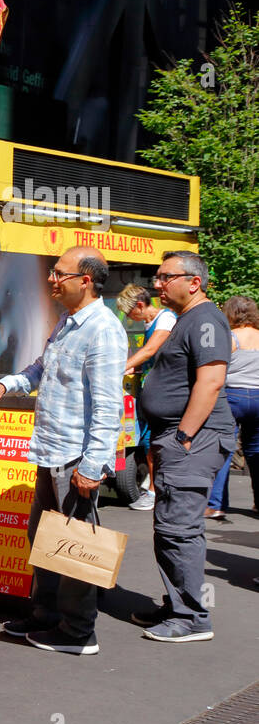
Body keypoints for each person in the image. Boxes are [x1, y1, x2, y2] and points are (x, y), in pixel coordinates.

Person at [0, 247, 126, 655]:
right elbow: (42, 367)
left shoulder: (104, 329)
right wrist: (8, 384)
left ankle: (78, 632)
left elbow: (109, 406)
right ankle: (46, 615)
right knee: (45, 538)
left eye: (59, 273)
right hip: (50, 451)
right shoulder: (67, 321)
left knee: (74, 547)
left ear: (86, 281)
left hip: (76, 459)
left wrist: (93, 465)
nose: (50, 279)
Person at [134, 250, 232, 643]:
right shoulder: (186, 318)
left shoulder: (206, 319)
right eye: (157, 277)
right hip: (178, 437)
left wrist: (183, 437)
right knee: (170, 527)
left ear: (193, 282)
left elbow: (211, 382)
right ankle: (176, 605)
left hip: (193, 438)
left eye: (164, 277)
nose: (156, 284)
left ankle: (191, 618)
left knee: (179, 530)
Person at [116, 284, 177, 511]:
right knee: (147, 441)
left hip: (164, 390)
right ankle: (153, 487)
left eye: (131, 312)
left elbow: (151, 350)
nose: (131, 317)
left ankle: (153, 491)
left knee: (153, 443)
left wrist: (123, 367)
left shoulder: (166, 319)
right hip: (151, 387)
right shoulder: (150, 322)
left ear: (140, 306)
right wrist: (136, 370)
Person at [204, 296, 259, 517]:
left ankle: (216, 505)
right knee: (256, 451)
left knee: (224, 449)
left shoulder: (230, 337)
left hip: (233, 396)